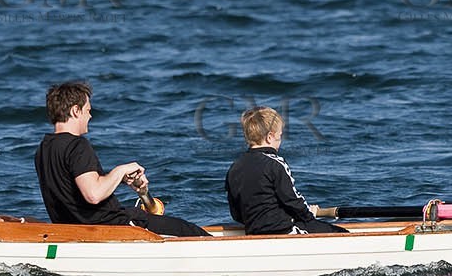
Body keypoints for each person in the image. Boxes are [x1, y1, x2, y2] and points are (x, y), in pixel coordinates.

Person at [35, 81, 208, 237]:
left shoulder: (43, 149)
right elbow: (94, 195)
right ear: (75, 110)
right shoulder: (77, 145)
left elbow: (74, 190)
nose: (90, 116)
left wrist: (121, 180)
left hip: (72, 230)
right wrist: (121, 170)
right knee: (191, 231)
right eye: (88, 110)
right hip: (114, 227)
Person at [225, 106, 347, 235]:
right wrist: (309, 216)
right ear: (270, 137)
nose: (280, 141)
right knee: (342, 233)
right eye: (280, 135)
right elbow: (292, 200)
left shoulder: (235, 167)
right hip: (284, 230)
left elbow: (236, 214)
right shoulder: (275, 163)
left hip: (253, 232)